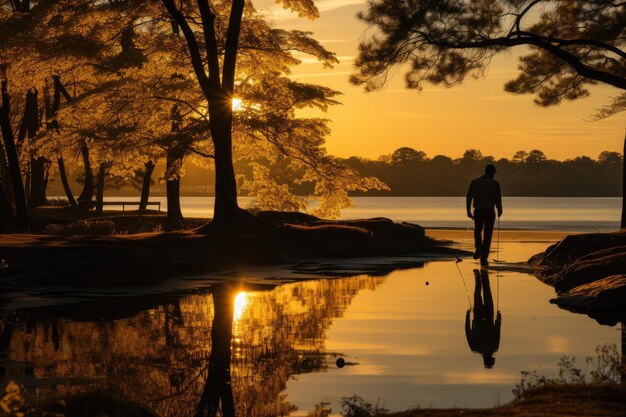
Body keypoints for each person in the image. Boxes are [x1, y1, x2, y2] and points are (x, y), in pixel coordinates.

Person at [466, 164, 502, 267]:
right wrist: (499, 209)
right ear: (492, 173)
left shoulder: (475, 182)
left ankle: (478, 248)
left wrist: (468, 210)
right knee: (488, 234)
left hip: (478, 210)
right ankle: (484, 256)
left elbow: (469, 197)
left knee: (478, 230)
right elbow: (498, 199)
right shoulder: (495, 183)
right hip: (489, 211)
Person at [465, 269, 501, 369]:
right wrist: (467, 316)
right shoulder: (474, 348)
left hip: (489, 316)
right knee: (477, 294)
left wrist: (499, 318)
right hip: (478, 317)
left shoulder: (494, 347)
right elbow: (467, 331)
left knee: (487, 291)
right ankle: (478, 276)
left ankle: (484, 275)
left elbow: (497, 331)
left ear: (490, 358)